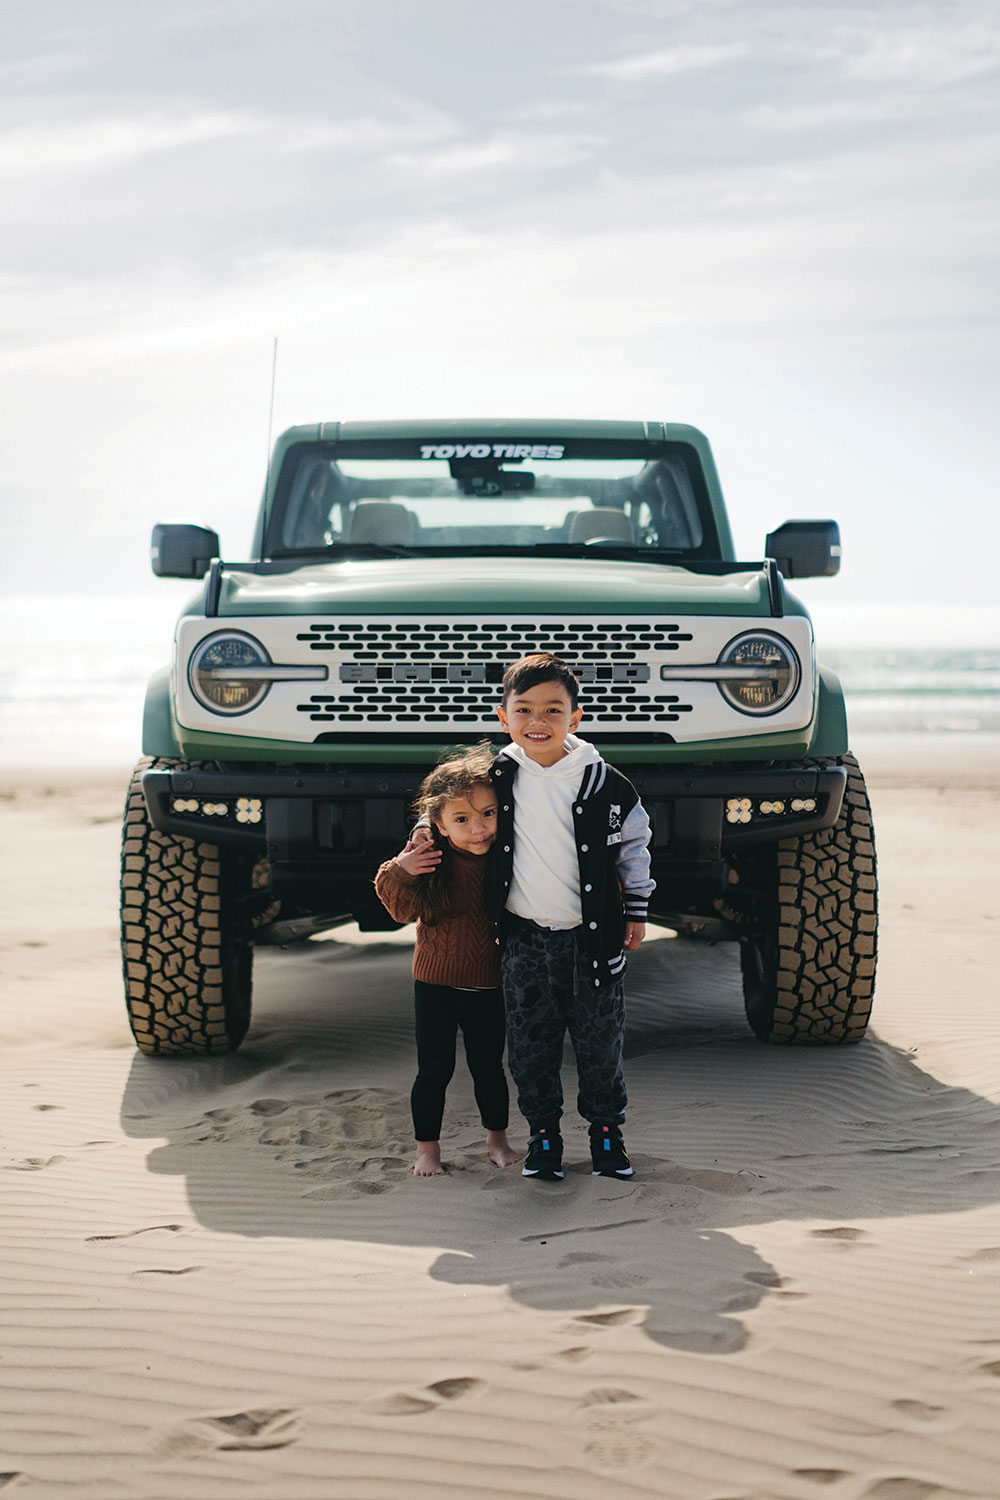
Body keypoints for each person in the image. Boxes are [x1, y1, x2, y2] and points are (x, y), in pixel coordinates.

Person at [485, 652, 655, 1182]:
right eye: (525, 710)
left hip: (593, 941)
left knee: (600, 1045)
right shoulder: (494, 776)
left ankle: (607, 1135)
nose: (538, 722)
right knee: (530, 1047)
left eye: (553, 710)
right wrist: (424, 828)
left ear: (575, 718)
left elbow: (634, 847)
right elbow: (445, 803)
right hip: (524, 942)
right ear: (503, 716)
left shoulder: (606, 783)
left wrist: (637, 908)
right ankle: (543, 1138)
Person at [374, 748, 520, 1177]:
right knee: (434, 1069)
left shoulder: (506, 854)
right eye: (461, 820)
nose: (478, 829)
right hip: (435, 985)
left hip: (489, 984)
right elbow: (399, 910)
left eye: (488, 814)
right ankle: (427, 1150)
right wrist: (401, 869)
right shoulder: (431, 860)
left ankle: (497, 1142)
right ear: (438, 825)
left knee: (489, 1069)